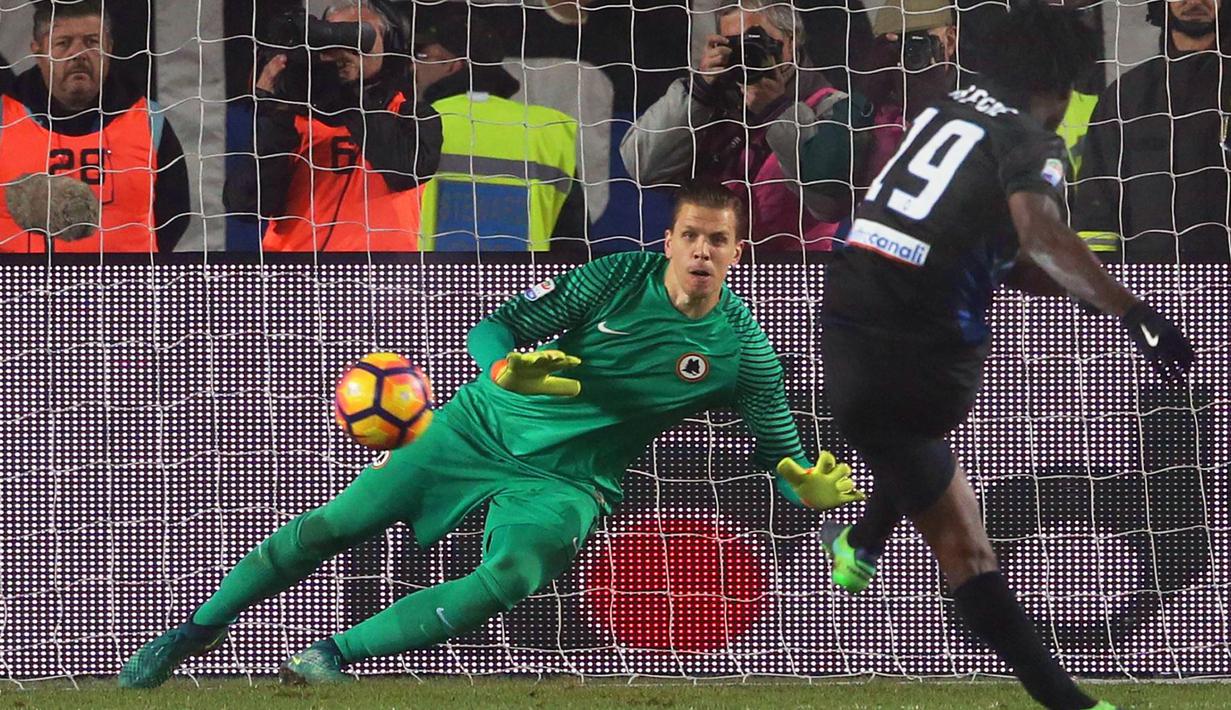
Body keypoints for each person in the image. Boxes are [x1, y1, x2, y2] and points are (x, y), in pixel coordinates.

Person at [117, 178, 865, 688]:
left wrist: (801, 477)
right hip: (474, 428)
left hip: (567, 481)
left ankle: (329, 656)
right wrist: (505, 370)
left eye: (720, 241)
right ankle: (194, 632)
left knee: (513, 576)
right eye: (692, 236)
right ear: (668, 240)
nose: (704, 251)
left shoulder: (745, 350)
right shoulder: (611, 278)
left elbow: (774, 443)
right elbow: (496, 327)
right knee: (328, 528)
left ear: (739, 252)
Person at [818, 4, 1194, 708]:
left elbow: (1001, 252)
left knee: (913, 445)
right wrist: (1133, 314)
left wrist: (1085, 297)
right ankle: (1069, 704)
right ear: (1060, 87)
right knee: (967, 550)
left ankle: (864, 539)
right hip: (910, 353)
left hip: (854, 318)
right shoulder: (1031, 138)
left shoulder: (948, 104)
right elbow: (1042, 238)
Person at [620, 0, 871, 251]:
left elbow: (830, 203)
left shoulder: (830, 107)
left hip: (791, 272)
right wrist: (698, 93)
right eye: (735, 45)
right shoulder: (706, 101)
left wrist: (777, 111)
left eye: (758, 41)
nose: (746, 56)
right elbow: (644, 169)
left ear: (792, 43)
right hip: (708, 266)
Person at [225, 0, 442, 252]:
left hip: (380, 280)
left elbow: (405, 171)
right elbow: (247, 205)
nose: (346, 50)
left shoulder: (410, 114)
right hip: (296, 278)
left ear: (390, 46)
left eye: (360, 36)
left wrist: (354, 92)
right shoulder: (297, 114)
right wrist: (273, 113)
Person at [0, 0, 191, 254]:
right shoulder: (4, 119)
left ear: (109, 48)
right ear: (38, 50)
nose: (79, 54)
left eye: (91, 42)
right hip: (21, 290)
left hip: (126, 289)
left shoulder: (149, 120)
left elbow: (176, 212)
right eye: (63, 43)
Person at [413, 8, 585, 252]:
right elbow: (572, 240)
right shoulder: (547, 130)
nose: (412, 66)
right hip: (524, 287)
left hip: (426, 284)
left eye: (423, 55)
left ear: (454, 66)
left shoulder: (417, 122)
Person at [1073, 0, 1231, 263]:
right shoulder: (1126, 96)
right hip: (1149, 284)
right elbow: (1096, 198)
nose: (1194, 2)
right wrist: (1099, 285)